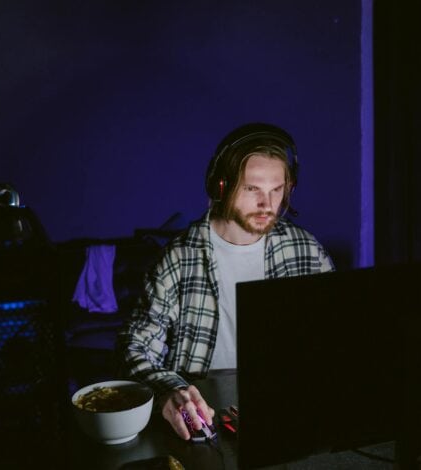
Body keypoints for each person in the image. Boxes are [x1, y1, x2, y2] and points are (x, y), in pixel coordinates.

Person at [117, 122, 335, 440]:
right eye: (252, 189)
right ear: (221, 187)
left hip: (282, 407)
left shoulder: (305, 249)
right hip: (203, 413)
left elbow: (335, 333)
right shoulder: (179, 257)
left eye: (277, 190)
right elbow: (135, 347)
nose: (268, 205)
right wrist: (170, 390)